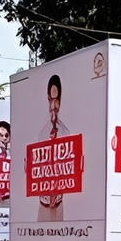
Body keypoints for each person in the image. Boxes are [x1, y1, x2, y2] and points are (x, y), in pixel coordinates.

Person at [38, 75, 69, 221]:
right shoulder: (43, 133)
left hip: (59, 203)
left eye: (56, 100)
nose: (53, 106)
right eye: (50, 100)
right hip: (43, 204)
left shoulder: (65, 133)